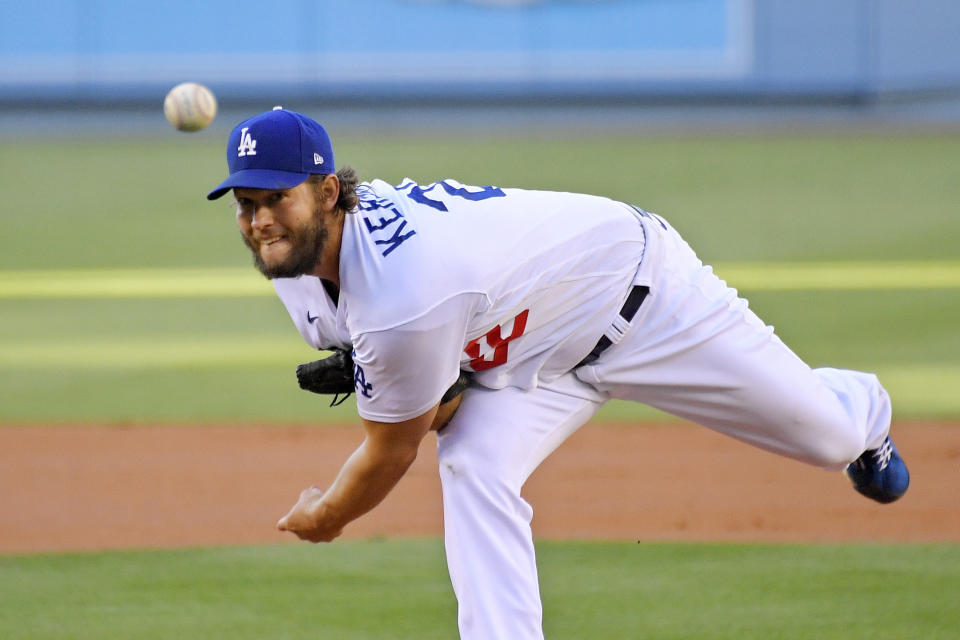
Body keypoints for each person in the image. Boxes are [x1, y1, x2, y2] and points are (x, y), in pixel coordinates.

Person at [207, 107, 909, 639]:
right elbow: (444, 407)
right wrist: (417, 381)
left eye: (277, 198)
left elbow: (392, 450)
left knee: (830, 437)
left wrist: (327, 516)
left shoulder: (401, 297)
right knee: (474, 467)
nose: (260, 220)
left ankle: (864, 413)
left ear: (328, 193)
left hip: (644, 300)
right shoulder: (296, 265)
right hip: (533, 358)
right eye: (246, 203)